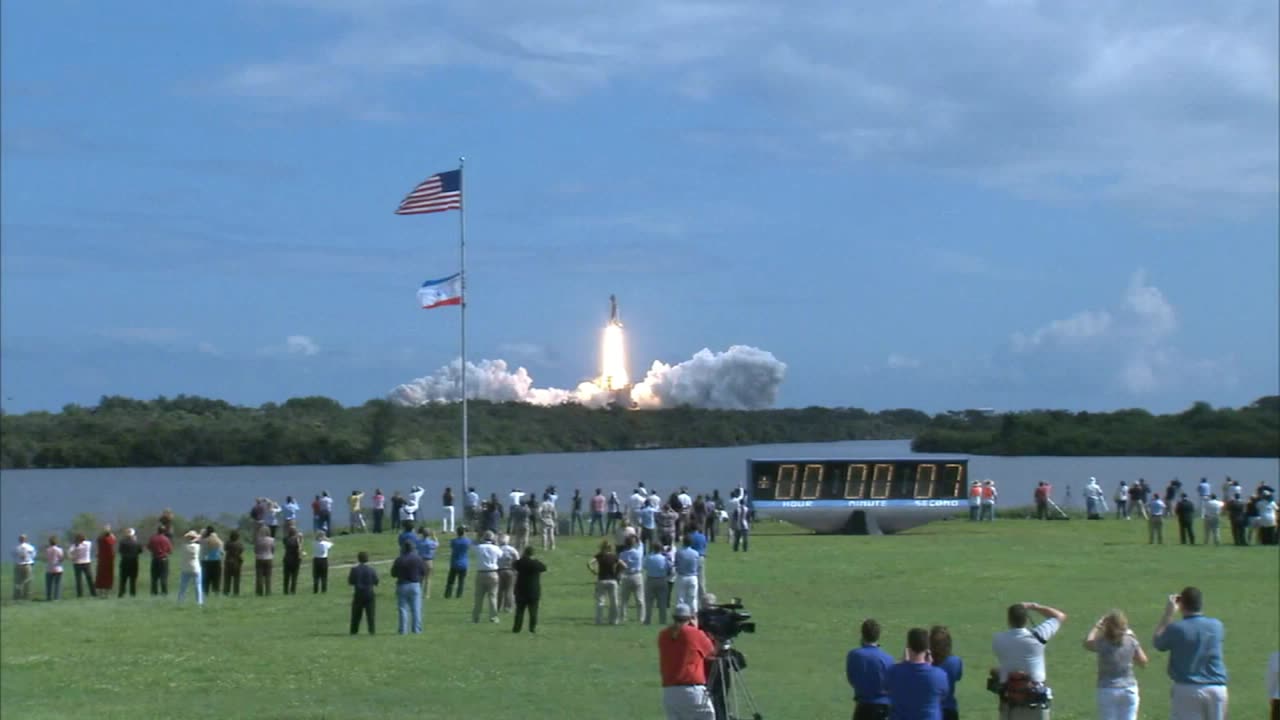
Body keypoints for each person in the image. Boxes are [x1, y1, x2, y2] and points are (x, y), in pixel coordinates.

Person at [1152, 586, 1228, 719]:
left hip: (1188, 689)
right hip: (1217, 689)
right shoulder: (1217, 626)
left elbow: (1158, 643)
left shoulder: (1177, 628)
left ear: (1181, 604)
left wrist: (1168, 614)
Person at [992, 601, 1067, 719]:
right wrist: (1034, 607)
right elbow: (1060, 616)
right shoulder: (1038, 636)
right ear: (1026, 619)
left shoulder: (998, 639)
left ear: (1009, 620)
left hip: (1009, 700)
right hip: (1035, 700)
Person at [1083, 609, 1148, 720]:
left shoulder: (1102, 642)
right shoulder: (1131, 640)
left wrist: (1097, 626)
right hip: (1129, 688)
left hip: (1107, 689)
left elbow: (1087, 643)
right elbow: (1143, 662)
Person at [657, 603, 716, 719]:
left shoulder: (663, 635)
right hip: (691, 690)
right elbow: (711, 652)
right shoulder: (693, 633)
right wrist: (697, 628)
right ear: (690, 618)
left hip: (669, 691)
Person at [887, 627, 949, 720]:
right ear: (927, 648)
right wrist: (929, 667)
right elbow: (942, 696)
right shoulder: (939, 675)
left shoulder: (893, 671)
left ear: (908, 646)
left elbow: (887, 690)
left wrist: (902, 662)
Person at [847, 618, 894, 719]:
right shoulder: (888, 659)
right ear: (878, 636)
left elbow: (851, 679)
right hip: (883, 708)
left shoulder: (854, 655)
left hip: (862, 707)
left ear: (862, 634)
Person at [390, 541, 426, 634]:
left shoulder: (399, 559)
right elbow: (423, 572)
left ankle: (403, 630)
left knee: (403, 609)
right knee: (416, 609)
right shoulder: (418, 559)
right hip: (415, 584)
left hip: (402, 584)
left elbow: (393, 574)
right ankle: (416, 629)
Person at [929, 626, 963, 720]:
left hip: (930, 710)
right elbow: (958, 676)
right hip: (949, 710)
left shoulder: (925, 663)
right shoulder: (955, 661)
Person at [512, 545, 547, 634]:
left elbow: (514, 564)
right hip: (533, 591)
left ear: (525, 553)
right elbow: (544, 568)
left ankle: (517, 628)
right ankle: (532, 628)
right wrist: (535, 560)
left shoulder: (520, 563)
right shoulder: (535, 564)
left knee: (519, 611)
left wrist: (522, 558)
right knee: (533, 611)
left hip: (520, 590)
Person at [589, 540, 622, 625]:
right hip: (612, 580)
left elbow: (589, 563)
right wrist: (619, 574)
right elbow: (624, 565)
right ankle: (614, 620)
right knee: (614, 601)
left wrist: (593, 571)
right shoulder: (614, 556)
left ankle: (599, 620)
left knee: (600, 601)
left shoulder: (599, 556)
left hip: (602, 580)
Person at [472, 531, 502, 624]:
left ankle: (475, 618)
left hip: (481, 573)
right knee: (493, 596)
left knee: (478, 598)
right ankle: (493, 617)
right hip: (493, 573)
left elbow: (472, 545)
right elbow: (501, 555)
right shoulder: (495, 548)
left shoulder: (479, 547)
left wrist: (477, 538)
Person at [348, 551, 378, 635]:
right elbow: (376, 581)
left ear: (358, 559)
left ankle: (354, 631)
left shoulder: (354, 570)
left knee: (356, 615)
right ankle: (371, 631)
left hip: (358, 593)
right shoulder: (371, 570)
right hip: (369, 593)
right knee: (370, 614)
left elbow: (350, 581)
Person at [644, 542, 674, 625]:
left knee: (649, 602)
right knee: (662, 602)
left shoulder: (649, 557)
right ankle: (663, 620)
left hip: (651, 579)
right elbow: (670, 568)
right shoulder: (664, 558)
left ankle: (647, 620)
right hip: (662, 579)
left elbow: (645, 566)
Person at [617, 536, 645, 623]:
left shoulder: (622, 554)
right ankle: (641, 618)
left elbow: (620, 566)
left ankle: (623, 617)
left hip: (626, 576)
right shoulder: (638, 553)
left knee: (624, 599)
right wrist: (637, 538)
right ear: (633, 544)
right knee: (639, 599)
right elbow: (641, 544)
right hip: (637, 576)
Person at [674, 535, 701, 613]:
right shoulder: (696, 553)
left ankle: (680, 615)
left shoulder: (679, 552)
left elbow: (676, 563)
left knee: (680, 598)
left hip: (682, 576)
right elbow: (698, 565)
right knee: (693, 598)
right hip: (693, 577)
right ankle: (694, 615)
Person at [176, 529, 204, 606]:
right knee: (198, 586)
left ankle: (180, 601)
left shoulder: (184, 546)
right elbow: (200, 539)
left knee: (183, 587)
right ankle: (199, 602)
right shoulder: (197, 547)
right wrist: (197, 537)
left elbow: (183, 540)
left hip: (185, 568)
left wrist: (187, 537)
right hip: (195, 568)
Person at [444, 527, 471, 599]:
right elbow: (469, 546)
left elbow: (452, 546)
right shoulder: (467, 541)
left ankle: (447, 594)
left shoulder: (454, 541)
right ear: (464, 532)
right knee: (461, 581)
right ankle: (459, 595)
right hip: (463, 563)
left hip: (454, 563)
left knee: (450, 581)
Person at [147, 525, 173, 596]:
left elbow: (149, 547)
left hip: (155, 559)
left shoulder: (153, 538)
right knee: (163, 577)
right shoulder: (166, 539)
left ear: (157, 530)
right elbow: (170, 551)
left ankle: (154, 593)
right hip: (163, 559)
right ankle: (164, 593)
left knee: (154, 578)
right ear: (164, 531)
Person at [116, 528, 142, 598]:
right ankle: (132, 594)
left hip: (124, 563)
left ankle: (121, 593)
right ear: (133, 534)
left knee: (123, 580)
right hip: (134, 563)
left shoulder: (122, 542)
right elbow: (140, 551)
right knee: (133, 580)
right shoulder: (137, 543)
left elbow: (120, 551)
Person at [68, 533, 95, 598]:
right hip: (86, 562)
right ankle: (93, 593)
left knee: (78, 580)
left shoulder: (74, 546)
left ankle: (80, 594)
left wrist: (72, 558)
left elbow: (69, 552)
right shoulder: (88, 544)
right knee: (89, 578)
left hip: (77, 563)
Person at [496, 533, 518, 613]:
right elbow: (517, 559)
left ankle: (497, 606)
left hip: (499, 570)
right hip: (510, 570)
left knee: (499, 590)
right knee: (509, 590)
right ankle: (508, 607)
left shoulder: (497, 549)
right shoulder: (512, 549)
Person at [199, 527, 223, 599]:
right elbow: (222, 552)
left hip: (206, 561)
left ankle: (205, 593)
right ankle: (216, 593)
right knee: (216, 578)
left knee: (206, 579)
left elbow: (201, 545)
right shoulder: (218, 540)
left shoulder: (203, 540)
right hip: (216, 561)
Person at [415, 528, 438, 599]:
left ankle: (418, 593)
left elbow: (416, 544)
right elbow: (437, 544)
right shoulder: (430, 542)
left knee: (420, 579)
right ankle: (427, 595)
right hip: (428, 561)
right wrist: (434, 536)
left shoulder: (419, 542)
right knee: (428, 579)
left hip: (420, 561)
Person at [13, 534, 36, 601]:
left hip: (18, 564)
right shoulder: (30, 547)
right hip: (27, 564)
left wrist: (17, 560)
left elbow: (13, 555)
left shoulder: (16, 547)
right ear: (26, 539)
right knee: (28, 581)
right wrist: (29, 559)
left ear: (19, 540)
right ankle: (27, 596)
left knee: (18, 581)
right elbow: (33, 555)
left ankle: (17, 596)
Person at [281, 525, 304, 595]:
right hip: (295, 559)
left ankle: (285, 591)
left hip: (287, 559)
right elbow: (300, 548)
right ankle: (293, 590)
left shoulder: (285, 539)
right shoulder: (297, 540)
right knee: (294, 576)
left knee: (286, 576)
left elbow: (284, 539)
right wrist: (301, 538)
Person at [95, 525, 116, 597]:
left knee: (103, 576)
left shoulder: (100, 538)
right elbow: (112, 542)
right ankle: (104, 593)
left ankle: (103, 593)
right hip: (106, 559)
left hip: (104, 559)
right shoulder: (109, 538)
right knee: (105, 576)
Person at [253, 525, 274, 596]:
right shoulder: (271, 540)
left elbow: (255, 550)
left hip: (259, 558)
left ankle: (259, 592)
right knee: (268, 576)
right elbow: (273, 549)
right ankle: (268, 591)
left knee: (259, 576)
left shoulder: (258, 540)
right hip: (269, 558)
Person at [222, 530, 244, 596]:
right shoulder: (239, 544)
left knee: (227, 579)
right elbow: (241, 550)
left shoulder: (227, 543)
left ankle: (226, 592)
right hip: (237, 562)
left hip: (228, 562)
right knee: (236, 579)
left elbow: (225, 549)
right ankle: (236, 592)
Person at [44, 536, 64, 601]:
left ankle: (48, 597)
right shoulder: (59, 549)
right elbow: (61, 558)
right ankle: (56, 598)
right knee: (57, 584)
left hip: (49, 568)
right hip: (58, 568)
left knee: (49, 585)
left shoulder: (47, 550)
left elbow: (46, 558)